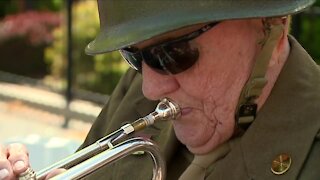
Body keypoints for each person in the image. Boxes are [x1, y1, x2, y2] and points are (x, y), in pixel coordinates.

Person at [1, 0, 320, 179]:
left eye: (174, 53)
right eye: (134, 55)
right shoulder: (138, 90)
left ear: (270, 24)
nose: (152, 87)